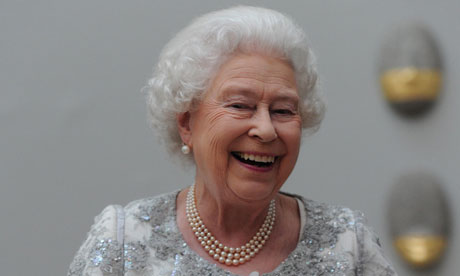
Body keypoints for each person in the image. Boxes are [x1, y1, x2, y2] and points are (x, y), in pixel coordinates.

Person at [68, 6, 397, 276]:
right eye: (240, 106)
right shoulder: (123, 243)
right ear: (186, 124)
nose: (266, 130)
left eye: (283, 110)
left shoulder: (347, 243)